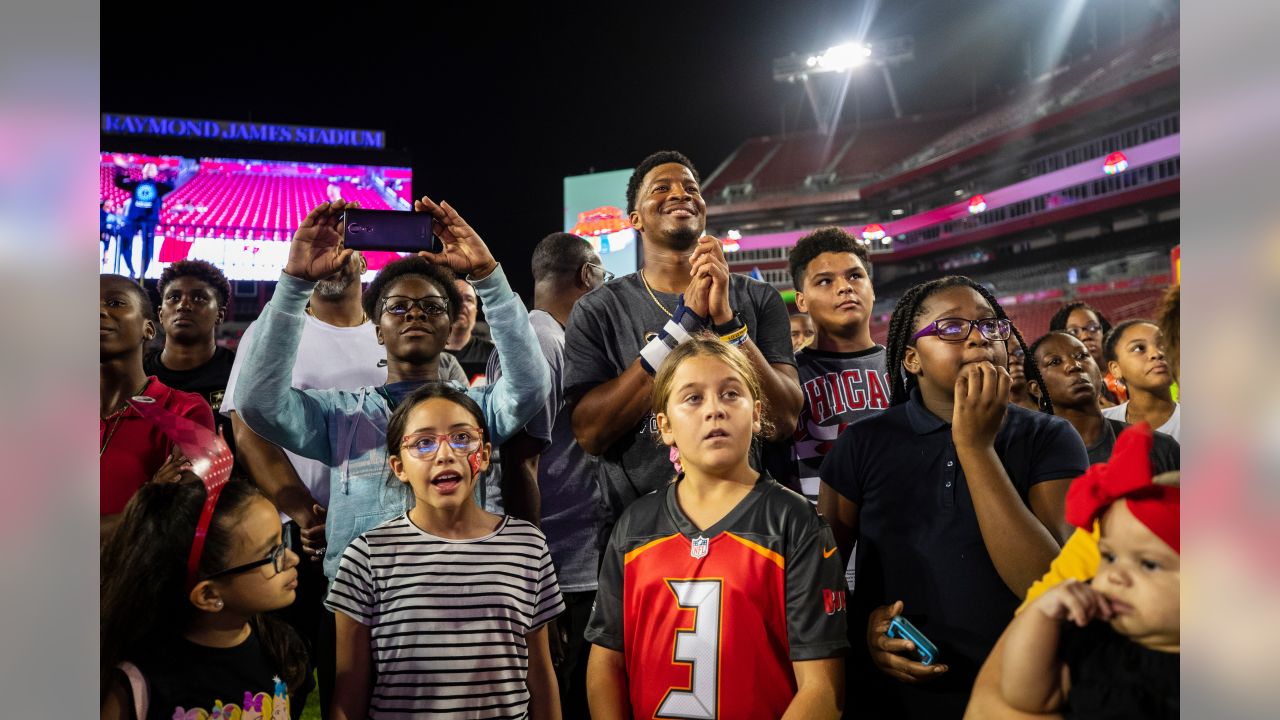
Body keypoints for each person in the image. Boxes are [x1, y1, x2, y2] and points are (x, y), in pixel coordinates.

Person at [233, 198, 549, 582]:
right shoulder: (342, 416)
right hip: (359, 607)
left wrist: (488, 277)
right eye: (397, 307)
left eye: (432, 307)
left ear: (450, 328)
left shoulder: (474, 410)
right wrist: (295, 285)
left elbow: (531, 386)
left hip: (456, 589)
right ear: (377, 330)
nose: (415, 313)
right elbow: (257, 402)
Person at [818, 275, 1088, 718]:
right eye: (951, 328)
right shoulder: (862, 443)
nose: (979, 338)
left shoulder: (1049, 436)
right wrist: (862, 628)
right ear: (911, 359)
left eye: (990, 326)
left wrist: (975, 448)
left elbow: (1052, 585)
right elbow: (821, 582)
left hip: (1019, 694)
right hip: (894, 699)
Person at [220, 248, 464, 718]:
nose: (333, 261)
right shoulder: (275, 328)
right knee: (314, 675)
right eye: (324, 252)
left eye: (345, 250)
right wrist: (301, 508)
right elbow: (250, 425)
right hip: (314, 536)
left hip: (421, 549)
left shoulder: (403, 330)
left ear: (362, 265)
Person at [585, 337, 847, 720]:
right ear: (665, 426)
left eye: (730, 394)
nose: (714, 410)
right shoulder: (635, 526)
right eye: (692, 398)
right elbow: (606, 665)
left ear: (757, 414)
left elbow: (822, 689)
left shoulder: (794, 522)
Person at [565, 150, 801, 533]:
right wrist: (683, 325)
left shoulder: (758, 299)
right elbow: (592, 433)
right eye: (662, 188)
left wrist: (727, 321)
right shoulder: (599, 309)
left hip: (754, 528)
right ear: (636, 219)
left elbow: (783, 421)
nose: (681, 193)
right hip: (641, 533)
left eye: (691, 188)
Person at [326, 383, 563, 719]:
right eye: (423, 443)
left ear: (482, 455)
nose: (445, 454)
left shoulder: (527, 546)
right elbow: (348, 695)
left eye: (462, 438)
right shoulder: (366, 557)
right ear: (398, 467)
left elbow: (540, 676)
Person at [484, 232, 608, 717]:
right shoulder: (540, 340)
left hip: (570, 565)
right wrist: (535, 587)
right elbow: (519, 466)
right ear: (587, 275)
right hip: (560, 572)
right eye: (602, 272)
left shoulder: (552, 337)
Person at [997, 423, 1179, 717]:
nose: (1114, 575)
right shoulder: (1090, 638)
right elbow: (1025, 696)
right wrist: (1041, 617)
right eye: (1108, 557)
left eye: (1148, 563)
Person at [100, 475, 306, 719]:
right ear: (208, 595)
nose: (293, 559)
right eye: (273, 554)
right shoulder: (137, 683)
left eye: (283, 542)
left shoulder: (280, 647)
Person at [100, 274, 213, 532]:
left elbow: (175, 522)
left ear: (148, 328)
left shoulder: (187, 411)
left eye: (116, 303)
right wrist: (147, 498)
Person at [787, 226, 889, 505]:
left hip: (903, 528)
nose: (845, 287)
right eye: (824, 281)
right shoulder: (785, 376)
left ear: (872, 289)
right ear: (801, 301)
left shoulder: (908, 369)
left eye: (856, 275)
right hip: (816, 533)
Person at [144, 260, 237, 457]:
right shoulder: (138, 375)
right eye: (174, 297)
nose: (184, 305)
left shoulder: (240, 374)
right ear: (160, 314)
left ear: (220, 315)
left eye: (199, 298)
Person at [1101, 320, 1181, 442]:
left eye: (1163, 345)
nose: (1157, 353)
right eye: (1139, 348)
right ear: (1115, 369)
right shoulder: (1101, 425)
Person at [1049, 301, 1123, 406]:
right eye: (1074, 331)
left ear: (1103, 331)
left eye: (1093, 328)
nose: (1086, 336)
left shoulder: (1128, 371)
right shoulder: (1066, 392)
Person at [113, 158, 175, 279]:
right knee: (125, 244)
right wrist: (120, 168)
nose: (150, 168)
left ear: (156, 172)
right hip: (132, 219)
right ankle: (131, 270)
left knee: (148, 246)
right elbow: (119, 182)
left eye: (153, 167)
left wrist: (167, 169)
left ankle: (143, 273)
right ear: (143, 171)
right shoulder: (136, 184)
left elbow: (171, 185)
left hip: (150, 219)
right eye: (148, 166)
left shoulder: (159, 186)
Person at [445, 277, 495, 385]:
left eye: (468, 299)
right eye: (455, 298)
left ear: (476, 311)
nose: (462, 304)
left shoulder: (493, 355)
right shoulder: (425, 353)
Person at [1007, 335, 1039, 411]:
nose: (1013, 360)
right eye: (1006, 355)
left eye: (1019, 352)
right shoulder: (992, 416)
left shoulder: (1052, 401)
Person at [101, 198, 123, 264]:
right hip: (101, 231)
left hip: (108, 233)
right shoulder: (100, 212)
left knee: (107, 241)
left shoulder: (111, 214)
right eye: (108, 202)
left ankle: (105, 257)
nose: (109, 203)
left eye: (111, 202)